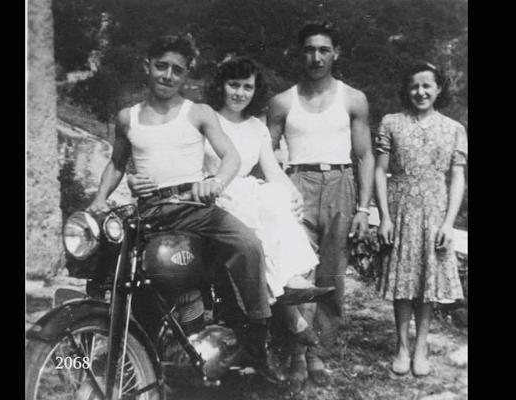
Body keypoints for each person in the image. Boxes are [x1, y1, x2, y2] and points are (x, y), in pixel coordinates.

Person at [86, 34, 283, 383]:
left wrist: (215, 183)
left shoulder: (199, 112)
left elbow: (232, 156)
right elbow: (117, 164)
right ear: (147, 65)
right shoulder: (128, 117)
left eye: (177, 69)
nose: (168, 75)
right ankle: (116, 348)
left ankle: (256, 339)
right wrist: (101, 198)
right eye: (161, 66)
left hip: (194, 207)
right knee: (120, 271)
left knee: (248, 245)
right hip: (149, 211)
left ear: (185, 74)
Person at [266, 22, 375, 389]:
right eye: (310, 49)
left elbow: (364, 155)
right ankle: (297, 353)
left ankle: (317, 354)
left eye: (323, 50)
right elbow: (264, 153)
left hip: (340, 184)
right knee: (297, 276)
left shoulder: (353, 99)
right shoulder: (283, 102)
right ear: (301, 54)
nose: (316, 57)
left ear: (335, 53)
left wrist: (363, 208)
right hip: (297, 184)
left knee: (331, 275)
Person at [203, 56, 322, 348]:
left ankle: (291, 283)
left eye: (247, 87)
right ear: (221, 85)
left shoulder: (256, 127)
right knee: (252, 219)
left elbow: (272, 171)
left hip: (243, 191)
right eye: (234, 85)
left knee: (276, 197)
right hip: (212, 193)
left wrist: (292, 193)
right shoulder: (206, 119)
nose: (239, 93)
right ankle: (291, 316)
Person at [374, 62, 467, 377]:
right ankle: (402, 345)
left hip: (434, 213)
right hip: (400, 211)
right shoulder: (391, 123)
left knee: (426, 282)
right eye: (415, 85)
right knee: (402, 283)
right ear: (407, 89)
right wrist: (384, 217)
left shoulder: (453, 128)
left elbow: (456, 178)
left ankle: (422, 346)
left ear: (439, 88)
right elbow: (379, 171)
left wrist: (448, 223)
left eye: (428, 85)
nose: (421, 91)